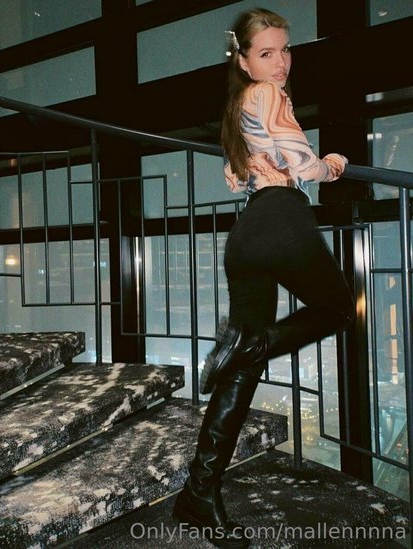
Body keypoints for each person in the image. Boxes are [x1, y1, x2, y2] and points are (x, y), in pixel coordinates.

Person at [172, 7, 355, 548]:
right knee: (339, 310)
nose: (281, 63)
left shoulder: (237, 106)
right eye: (267, 53)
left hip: (247, 236)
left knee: (241, 372)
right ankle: (252, 343)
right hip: (282, 224)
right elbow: (303, 164)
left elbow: (238, 174)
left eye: (285, 49)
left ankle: (199, 493)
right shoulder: (269, 95)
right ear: (244, 60)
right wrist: (333, 163)